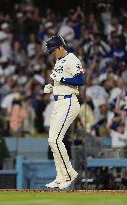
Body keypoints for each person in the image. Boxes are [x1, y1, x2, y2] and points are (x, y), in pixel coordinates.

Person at [43, 35, 84, 189]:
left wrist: (61, 79)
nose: (52, 53)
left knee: (55, 140)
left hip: (69, 101)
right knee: (52, 140)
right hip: (59, 101)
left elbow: (80, 80)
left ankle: (69, 174)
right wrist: (52, 88)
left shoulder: (72, 58)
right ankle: (60, 176)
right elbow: (62, 82)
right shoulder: (59, 61)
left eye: (53, 50)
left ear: (60, 47)